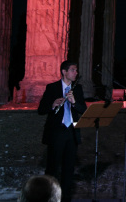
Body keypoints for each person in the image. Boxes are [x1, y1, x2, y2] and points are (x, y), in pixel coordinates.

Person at [37, 60, 87, 202]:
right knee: (52, 168)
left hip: (71, 132)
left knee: (69, 169)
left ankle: (65, 199)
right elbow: (41, 110)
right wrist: (52, 105)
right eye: (73, 70)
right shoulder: (52, 87)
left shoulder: (78, 89)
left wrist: (74, 103)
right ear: (64, 72)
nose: (76, 73)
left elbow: (83, 110)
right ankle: (48, 198)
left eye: (76, 70)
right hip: (56, 132)